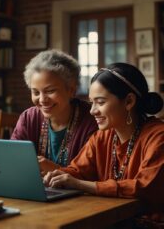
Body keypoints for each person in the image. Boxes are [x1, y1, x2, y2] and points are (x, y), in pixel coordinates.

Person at [43, 63, 164, 226]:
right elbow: (77, 171)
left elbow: (143, 187)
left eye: (100, 102)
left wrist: (80, 185)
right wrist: (57, 176)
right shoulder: (102, 136)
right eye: (91, 102)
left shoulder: (158, 136)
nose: (92, 110)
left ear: (129, 101)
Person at [11, 50, 98, 174]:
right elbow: (12, 159)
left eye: (50, 91)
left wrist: (56, 170)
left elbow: (93, 175)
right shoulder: (28, 118)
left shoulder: (92, 121)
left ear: (72, 90)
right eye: (35, 92)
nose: (42, 100)